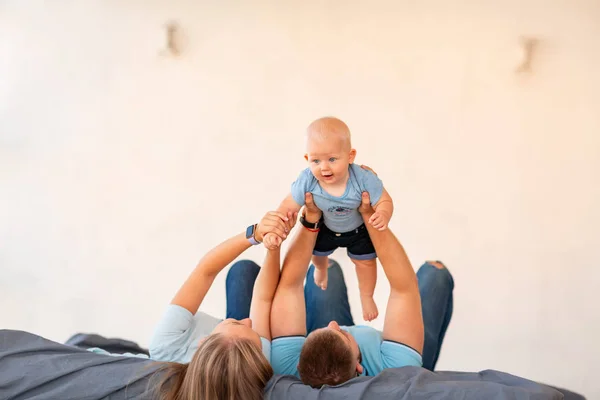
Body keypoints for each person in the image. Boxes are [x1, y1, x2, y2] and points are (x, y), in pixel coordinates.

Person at [269, 192, 454, 388]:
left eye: (323, 331)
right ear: (359, 367)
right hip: (397, 358)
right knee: (436, 273)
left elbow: (289, 286)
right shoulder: (399, 370)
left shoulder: (285, 366)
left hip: (339, 359)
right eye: (341, 333)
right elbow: (404, 288)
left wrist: (311, 219)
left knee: (328, 268)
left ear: (299, 365)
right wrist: (369, 216)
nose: (333, 324)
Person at [145, 210, 296, 400]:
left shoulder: (167, 346)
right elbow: (262, 299)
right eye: (256, 337)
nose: (249, 321)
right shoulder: (254, 357)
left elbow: (205, 271)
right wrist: (275, 247)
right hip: (241, 350)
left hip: (224, 348)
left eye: (236, 323)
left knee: (242, 271)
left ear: (202, 343)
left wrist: (255, 234)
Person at [263, 116, 394, 321]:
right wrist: (276, 227)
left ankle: (366, 296)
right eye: (316, 160)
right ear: (307, 159)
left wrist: (383, 213)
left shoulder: (362, 177)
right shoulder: (307, 179)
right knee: (316, 253)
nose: (324, 167)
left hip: (359, 230)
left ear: (350, 156)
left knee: (367, 263)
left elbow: (384, 200)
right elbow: (288, 206)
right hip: (326, 228)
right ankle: (320, 268)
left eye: (332, 159)